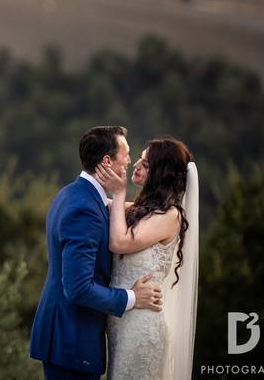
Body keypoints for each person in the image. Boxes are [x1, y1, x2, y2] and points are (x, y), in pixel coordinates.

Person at [30, 126, 164, 380]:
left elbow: (124, 209)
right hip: (72, 341)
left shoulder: (74, 193)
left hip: (65, 338)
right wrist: (133, 298)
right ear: (107, 161)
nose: (128, 161)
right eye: (125, 154)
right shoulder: (86, 209)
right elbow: (78, 288)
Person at [96, 137, 199, 380]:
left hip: (142, 329)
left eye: (146, 162)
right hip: (120, 323)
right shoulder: (143, 210)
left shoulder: (170, 215)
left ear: (161, 173)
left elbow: (118, 242)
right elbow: (107, 206)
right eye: (139, 159)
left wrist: (119, 191)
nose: (137, 165)